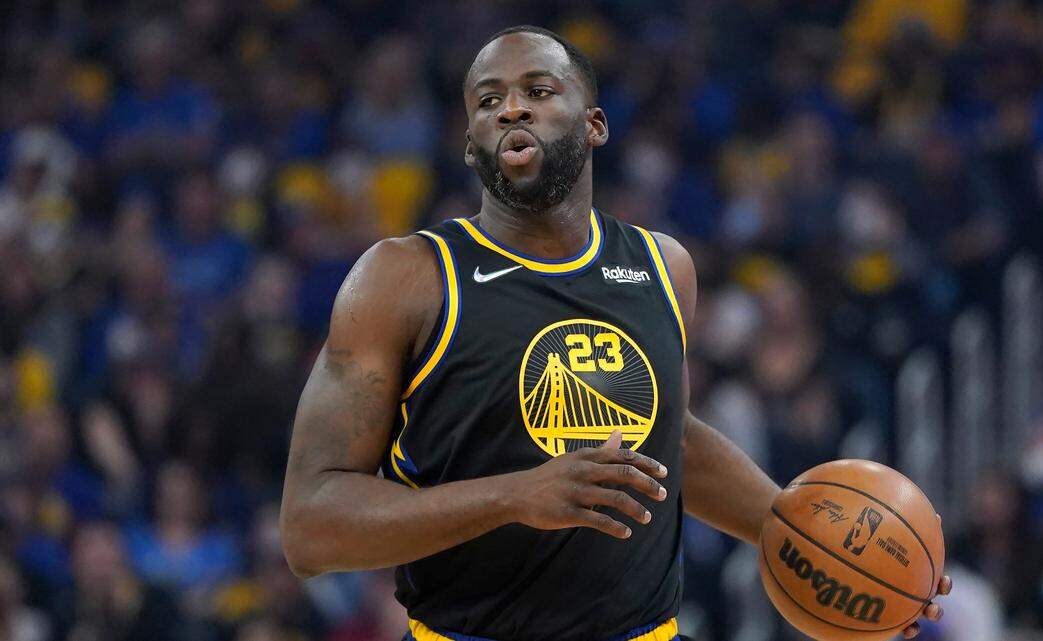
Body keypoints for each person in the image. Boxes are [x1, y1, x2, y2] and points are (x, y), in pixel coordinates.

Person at [279, 25, 951, 641]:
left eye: (538, 90)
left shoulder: (664, 266)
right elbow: (311, 524)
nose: (510, 108)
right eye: (487, 101)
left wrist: (812, 537)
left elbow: (668, 436)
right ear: (468, 144)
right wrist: (516, 495)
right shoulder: (404, 278)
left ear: (595, 124)